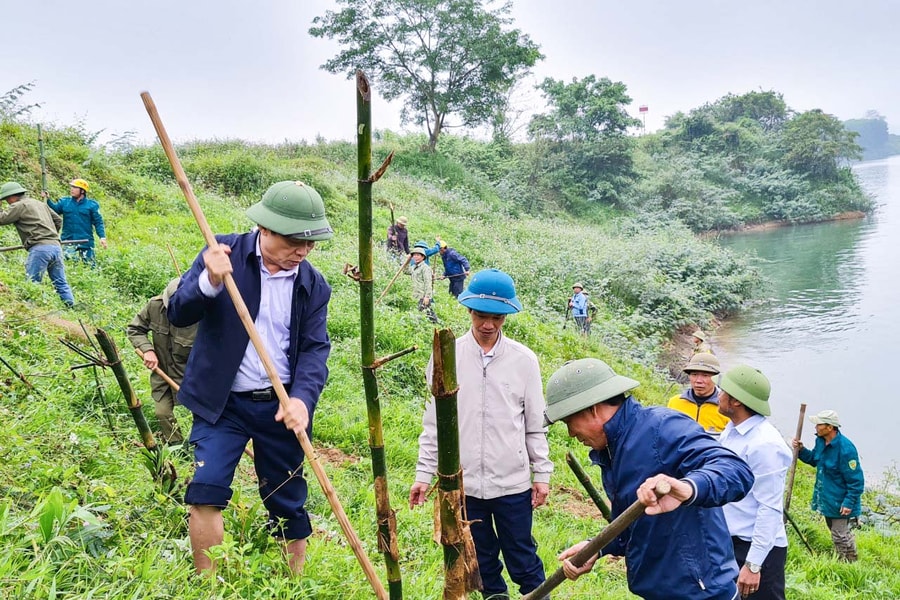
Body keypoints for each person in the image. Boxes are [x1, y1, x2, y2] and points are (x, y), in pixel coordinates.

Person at [167, 180, 333, 576]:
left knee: (287, 499)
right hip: (222, 404)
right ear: (265, 228)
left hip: (279, 407)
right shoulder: (222, 254)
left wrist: (301, 400)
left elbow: (315, 349)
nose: (302, 251)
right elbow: (178, 313)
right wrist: (209, 281)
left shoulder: (312, 285)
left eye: (310, 243)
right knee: (206, 489)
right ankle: (207, 584)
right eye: (294, 241)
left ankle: (292, 583)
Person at [544, 357, 754, 600]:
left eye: (569, 422)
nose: (571, 433)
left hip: (703, 592)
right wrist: (597, 548)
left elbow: (735, 470)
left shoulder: (662, 427)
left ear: (593, 409)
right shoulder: (613, 448)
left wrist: (688, 488)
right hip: (660, 590)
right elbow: (634, 524)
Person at [410, 268, 553, 600]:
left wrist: (542, 474)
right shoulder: (448, 355)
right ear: (469, 310)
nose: (488, 325)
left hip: (512, 483)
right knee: (482, 560)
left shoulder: (524, 361)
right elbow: (433, 423)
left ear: (506, 316)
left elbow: (535, 424)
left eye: (497, 317)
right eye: (481, 315)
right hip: (466, 484)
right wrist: (423, 473)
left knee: (523, 558)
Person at [717, 365, 791, 600]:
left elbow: (769, 508)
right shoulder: (732, 431)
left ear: (736, 401)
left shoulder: (765, 445)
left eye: (723, 391)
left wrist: (753, 564)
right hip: (731, 541)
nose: (718, 395)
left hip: (756, 548)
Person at [126, 277, 198, 445]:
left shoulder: (201, 318)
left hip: (192, 378)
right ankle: (177, 446)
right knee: (162, 413)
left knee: (202, 417)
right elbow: (135, 329)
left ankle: (201, 448)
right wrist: (148, 350)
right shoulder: (154, 306)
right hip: (163, 374)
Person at [792, 410, 864, 562]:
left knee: (839, 535)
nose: (816, 427)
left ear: (830, 427)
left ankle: (843, 563)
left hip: (841, 500)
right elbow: (814, 459)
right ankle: (851, 559)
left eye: (819, 424)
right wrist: (801, 450)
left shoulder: (846, 449)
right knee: (836, 531)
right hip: (827, 498)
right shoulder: (820, 441)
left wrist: (848, 502)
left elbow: (856, 481)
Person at [0, 181, 75, 307]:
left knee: (32, 282)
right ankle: (72, 308)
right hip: (56, 247)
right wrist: (50, 235)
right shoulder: (39, 203)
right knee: (61, 282)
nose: (7, 202)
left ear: (12, 196)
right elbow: (58, 220)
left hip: (40, 249)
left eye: (6, 199)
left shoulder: (19, 206)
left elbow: (1, 219)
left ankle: (31, 309)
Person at [44, 178, 107, 265]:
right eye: (72, 187)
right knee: (70, 263)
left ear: (82, 191)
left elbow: (98, 222)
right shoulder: (65, 202)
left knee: (89, 265)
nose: (72, 189)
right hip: (68, 240)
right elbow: (55, 210)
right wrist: (47, 200)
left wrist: (102, 237)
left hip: (86, 241)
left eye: (75, 187)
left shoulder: (91, 205)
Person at [667, 352, 729, 436]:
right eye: (694, 374)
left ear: (716, 378)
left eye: (705, 375)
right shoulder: (675, 403)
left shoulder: (726, 407)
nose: (698, 381)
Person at [408, 246, 438, 323]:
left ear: (423, 257)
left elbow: (428, 283)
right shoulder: (414, 267)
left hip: (422, 295)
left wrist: (427, 296)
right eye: (414, 255)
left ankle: (436, 325)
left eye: (418, 255)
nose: (416, 257)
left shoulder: (425, 268)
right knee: (420, 312)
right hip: (416, 294)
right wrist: (407, 261)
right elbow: (405, 271)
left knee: (428, 313)